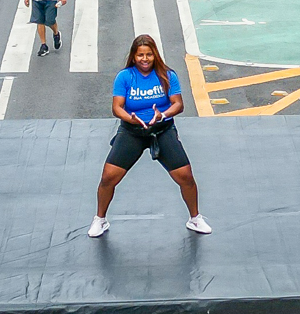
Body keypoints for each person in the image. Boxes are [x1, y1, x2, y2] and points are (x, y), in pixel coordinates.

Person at [88, 33, 211, 236]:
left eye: (149, 55)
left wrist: (162, 115)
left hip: (162, 130)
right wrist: (131, 118)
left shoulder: (168, 75)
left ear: (155, 55)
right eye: (140, 55)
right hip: (132, 132)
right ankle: (100, 219)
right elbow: (116, 107)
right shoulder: (125, 77)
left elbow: (178, 104)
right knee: (108, 178)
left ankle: (195, 218)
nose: (144, 59)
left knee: (186, 176)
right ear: (134, 57)